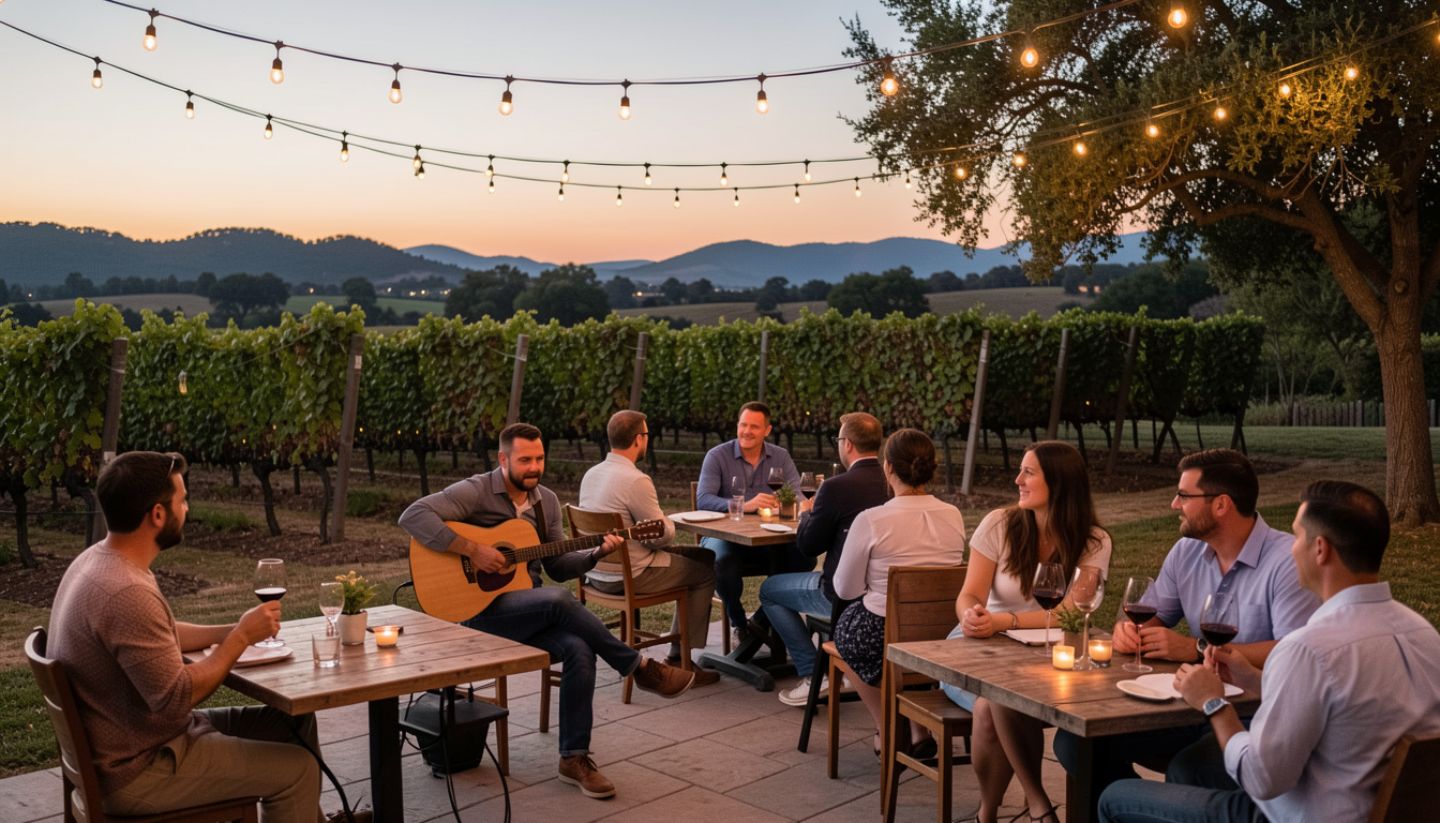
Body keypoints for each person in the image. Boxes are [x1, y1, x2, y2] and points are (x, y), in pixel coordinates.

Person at [1098, 480, 1440, 822]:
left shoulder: (1310, 648)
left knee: (1114, 798)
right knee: (1191, 770)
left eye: (1297, 537)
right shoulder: (1423, 633)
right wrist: (1255, 679)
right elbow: (1339, 702)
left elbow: (1262, 779)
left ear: (1320, 550)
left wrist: (1213, 703)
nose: (1291, 549)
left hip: (1295, 814)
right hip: (1377, 808)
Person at [47, 451, 356, 822]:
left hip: (135, 741)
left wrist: (229, 630)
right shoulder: (126, 592)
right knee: (297, 770)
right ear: (158, 515)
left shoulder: (97, 562)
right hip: (140, 768)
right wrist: (239, 638)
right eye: (183, 500)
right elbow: (177, 698)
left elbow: (161, 636)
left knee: (294, 722)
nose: (188, 509)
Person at [398, 423, 695, 801]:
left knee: (578, 648)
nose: (534, 467)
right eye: (525, 460)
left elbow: (557, 566)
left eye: (539, 458)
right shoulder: (476, 491)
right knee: (557, 600)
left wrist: (596, 553)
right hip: (477, 615)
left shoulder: (546, 502)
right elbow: (413, 515)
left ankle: (574, 758)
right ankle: (637, 666)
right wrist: (473, 550)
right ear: (503, 459)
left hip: (525, 608)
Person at [1054, 448, 1319, 814]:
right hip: (1186, 707)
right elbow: (1144, 615)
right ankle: (1134, 811)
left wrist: (1195, 650)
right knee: (1076, 742)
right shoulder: (1186, 552)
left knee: (1189, 768)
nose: (1174, 504)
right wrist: (1127, 633)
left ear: (1221, 505)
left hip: (1254, 715)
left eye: (1184, 496)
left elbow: (1294, 649)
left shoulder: (1286, 561)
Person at [943, 440, 1113, 823]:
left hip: (1050, 652)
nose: (1017, 479)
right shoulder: (999, 524)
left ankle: (1002, 812)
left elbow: (1072, 612)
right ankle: (1022, 808)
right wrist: (971, 615)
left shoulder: (1094, 540)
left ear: (1059, 481)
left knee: (999, 703)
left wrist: (1008, 621)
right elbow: (969, 593)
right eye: (1020, 470)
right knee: (993, 704)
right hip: (980, 645)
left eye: (1028, 472)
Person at [831, 429, 967, 755]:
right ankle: (918, 728)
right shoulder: (954, 514)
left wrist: (871, 585)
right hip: (940, 633)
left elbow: (845, 588)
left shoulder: (872, 519)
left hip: (885, 634)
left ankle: (886, 725)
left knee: (845, 633)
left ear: (887, 468)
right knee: (887, 630)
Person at [578, 410, 719, 685]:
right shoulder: (636, 480)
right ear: (638, 439)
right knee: (705, 571)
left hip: (595, 574)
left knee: (703, 555)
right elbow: (659, 538)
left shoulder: (591, 474)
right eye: (646, 434)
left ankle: (680, 652)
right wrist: (669, 523)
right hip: (632, 575)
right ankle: (681, 658)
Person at [760, 411, 888, 707]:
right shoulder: (892, 482)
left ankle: (811, 673)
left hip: (842, 596)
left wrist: (807, 513)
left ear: (848, 444)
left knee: (769, 591)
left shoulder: (837, 486)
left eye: (838, 439)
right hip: (881, 594)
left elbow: (807, 547)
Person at [694, 400, 808, 645]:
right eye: (743, 425)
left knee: (804, 556)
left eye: (754, 427)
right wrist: (744, 506)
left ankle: (759, 620)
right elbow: (703, 499)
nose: (746, 431)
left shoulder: (780, 456)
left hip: (769, 540)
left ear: (767, 430)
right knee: (722, 563)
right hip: (725, 538)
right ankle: (739, 624)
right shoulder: (717, 456)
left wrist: (784, 503)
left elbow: (798, 494)